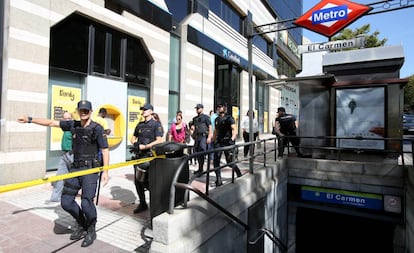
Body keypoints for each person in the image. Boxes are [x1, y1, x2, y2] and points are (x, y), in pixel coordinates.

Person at [17, 100, 109, 248]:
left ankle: (91, 228)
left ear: (91, 112)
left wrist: (105, 171)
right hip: (75, 168)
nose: (83, 112)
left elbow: (105, 150)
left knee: (86, 203)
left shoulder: (97, 129)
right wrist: (30, 119)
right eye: (81, 110)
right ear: (78, 111)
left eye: (86, 110)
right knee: (66, 202)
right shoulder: (73, 124)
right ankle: (82, 223)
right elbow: (51, 123)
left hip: (90, 170)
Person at [130, 103, 163, 213]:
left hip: (149, 157)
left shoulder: (155, 125)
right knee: (138, 181)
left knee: (149, 182)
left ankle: (156, 203)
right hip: (139, 156)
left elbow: (159, 140)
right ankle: (143, 203)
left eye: (145, 109)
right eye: (142, 109)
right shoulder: (139, 125)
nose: (143, 111)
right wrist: (135, 143)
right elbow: (133, 137)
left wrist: (145, 146)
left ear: (151, 111)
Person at [213, 103, 242, 186]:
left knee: (229, 162)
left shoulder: (229, 118)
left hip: (228, 142)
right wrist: (213, 140)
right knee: (216, 161)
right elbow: (216, 131)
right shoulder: (217, 119)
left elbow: (234, 129)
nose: (218, 108)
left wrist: (232, 139)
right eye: (218, 107)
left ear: (225, 108)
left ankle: (238, 172)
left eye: (220, 106)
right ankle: (218, 179)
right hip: (219, 142)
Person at [48, 111, 73, 203]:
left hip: (72, 155)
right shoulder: (65, 128)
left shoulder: (73, 128)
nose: (66, 120)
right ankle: (55, 198)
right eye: (64, 119)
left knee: (76, 178)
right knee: (60, 176)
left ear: (72, 119)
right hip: (65, 155)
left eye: (68, 119)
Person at [191, 103, 212, 175]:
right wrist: (193, 134)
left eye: (198, 108)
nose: (197, 110)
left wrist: (209, 137)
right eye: (196, 109)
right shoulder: (195, 119)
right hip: (197, 137)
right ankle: (200, 169)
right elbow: (193, 128)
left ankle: (202, 169)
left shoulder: (206, 117)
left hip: (203, 136)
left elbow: (210, 127)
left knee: (202, 152)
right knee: (197, 153)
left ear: (202, 109)